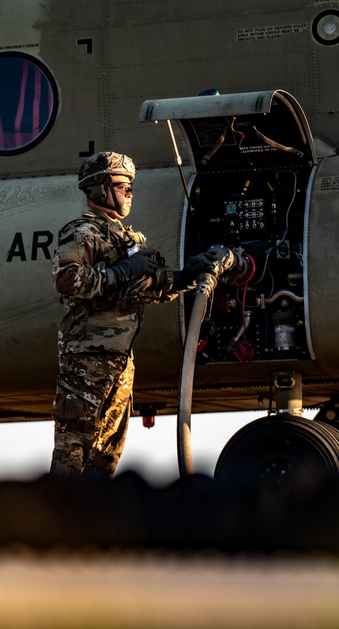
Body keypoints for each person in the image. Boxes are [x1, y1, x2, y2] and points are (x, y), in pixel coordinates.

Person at [50, 151, 233, 478]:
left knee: (106, 456)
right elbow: (67, 280)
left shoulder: (125, 238)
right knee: (73, 448)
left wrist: (186, 277)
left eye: (131, 187)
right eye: (123, 186)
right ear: (99, 190)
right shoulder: (82, 232)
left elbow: (147, 290)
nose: (130, 194)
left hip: (120, 361)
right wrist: (120, 273)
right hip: (86, 357)